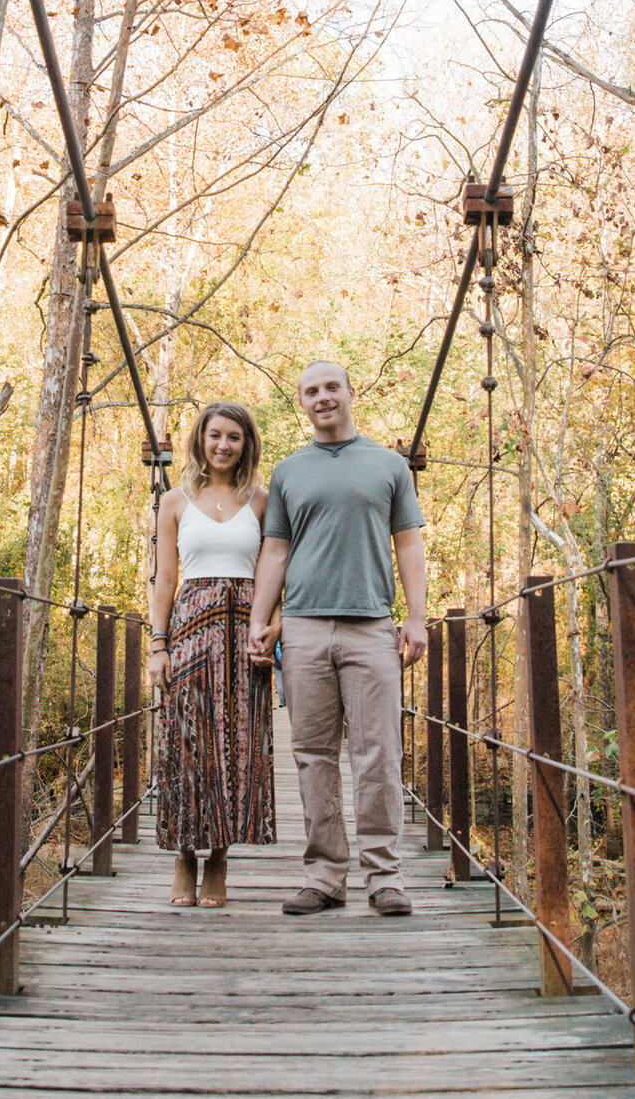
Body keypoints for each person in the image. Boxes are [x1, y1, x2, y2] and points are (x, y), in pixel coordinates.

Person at [247, 360, 427, 916]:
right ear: (301, 402)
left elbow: (409, 544)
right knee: (311, 755)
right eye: (311, 391)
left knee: (379, 754)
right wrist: (261, 618)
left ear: (351, 392)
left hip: (372, 626)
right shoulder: (288, 472)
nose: (322, 398)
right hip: (302, 628)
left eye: (331, 388)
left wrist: (416, 617)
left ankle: (384, 878)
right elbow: (275, 550)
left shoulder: (390, 465)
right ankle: (324, 877)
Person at [148, 401, 276, 907]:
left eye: (235, 438)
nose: (224, 446)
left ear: (247, 445)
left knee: (238, 745)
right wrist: (158, 644)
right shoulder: (174, 501)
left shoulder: (263, 502)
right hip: (190, 628)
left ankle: (219, 859)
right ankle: (184, 856)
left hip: (246, 630)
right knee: (186, 743)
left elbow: (279, 571)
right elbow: (164, 579)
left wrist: (275, 625)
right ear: (200, 439)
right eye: (215, 435)